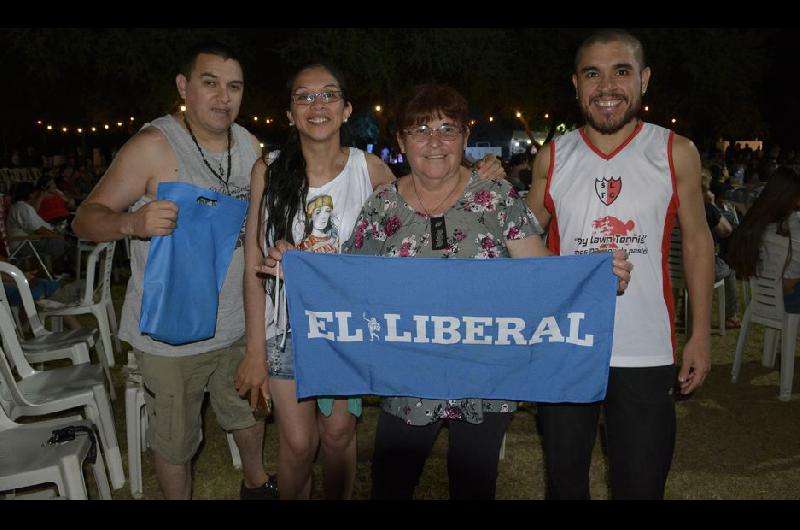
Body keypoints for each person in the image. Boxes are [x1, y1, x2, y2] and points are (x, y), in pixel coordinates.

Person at [341, 83, 631, 499]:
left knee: (475, 488)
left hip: (485, 375)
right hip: (408, 375)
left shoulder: (497, 199)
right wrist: (295, 267)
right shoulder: (381, 205)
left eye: (447, 128)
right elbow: (348, 278)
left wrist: (597, 275)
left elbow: (540, 269)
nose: (435, 141)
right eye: (420, 129)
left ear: (465, 136)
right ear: (402, 141)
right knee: (390, 485)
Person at [237, 63, 507, 500]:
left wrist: (482, 171)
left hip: (347, 328)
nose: (317, 105)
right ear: (289, 113)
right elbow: (253, 259)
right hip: (285, 327)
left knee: (340, 435)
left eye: (328, 95)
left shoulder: (371, 170)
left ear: (346, 109)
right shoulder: (267, 170)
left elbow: (430, 187)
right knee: (299, 444)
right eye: (304, 97)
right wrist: (253, 350)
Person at [71, 40, 277, 500]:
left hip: (237, 322)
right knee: (176, 440)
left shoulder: (248, 144)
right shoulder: (153, 145)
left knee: (246, 414)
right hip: (170, 334)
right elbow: (85, 218)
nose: (224, 97)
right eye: (210, 84)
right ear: (184, 87)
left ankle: (257, 484)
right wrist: (131, 222)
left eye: (234, 87)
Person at [527, 29, 713, 500]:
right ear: (575, 83)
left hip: (645, 347)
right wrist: (480, 186)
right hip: (566, 345)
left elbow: (696, 242)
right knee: (565, 486)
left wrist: (701, 334)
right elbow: (520, 243)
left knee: (641, 485)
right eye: (593, 73)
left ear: (644, 80)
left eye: (621, 72)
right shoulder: (553, 156)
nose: (606, 86)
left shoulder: (676, 151)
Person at [727, 167, 800, 312]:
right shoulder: (792, 224)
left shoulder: (758, 221)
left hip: (762, 296)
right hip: (786, 298)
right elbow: (789, 282)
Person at [701, 172, 740, 328]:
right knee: (729, 270)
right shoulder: (706, 208)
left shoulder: (675, 204)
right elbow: (726, 230)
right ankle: (731, 316)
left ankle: (683, 311)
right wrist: (713, 206)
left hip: (675, 270)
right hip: (701, 269)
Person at [6, 182, 70, 271]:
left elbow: (39, 227)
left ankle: (68, 268)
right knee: (56, 242)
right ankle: (58, 270)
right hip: (21, 245)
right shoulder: (23, 208)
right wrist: (55, 235)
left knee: (65, 240)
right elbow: (38, 230)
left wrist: (54, 232)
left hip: (28, 241)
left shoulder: (22, 206)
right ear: (30, 194)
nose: (36, 193)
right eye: (34, 192)